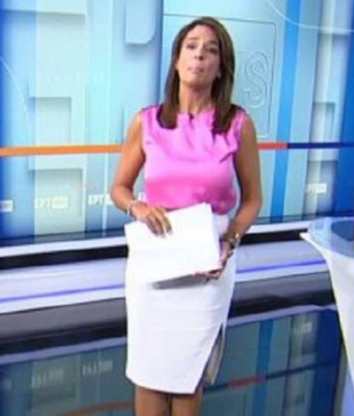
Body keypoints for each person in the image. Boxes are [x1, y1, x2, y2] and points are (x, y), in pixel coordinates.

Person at [110, 17, 263, 416]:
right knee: (149, 372)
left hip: (208, 258)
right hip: (156, 257)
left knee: (187, 373)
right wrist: (138, 207)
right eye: (191, 47)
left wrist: (230, 241)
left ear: (221, 67)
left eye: (211, 50)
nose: (199, 56)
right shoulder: (147, 121)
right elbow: (119, 188)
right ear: (176, 60)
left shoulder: (238, 125)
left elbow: (252, 201)